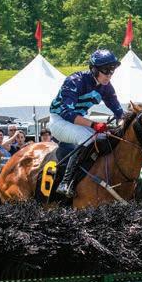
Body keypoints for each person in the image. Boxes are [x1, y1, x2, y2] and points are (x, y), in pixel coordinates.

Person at [49, 49, 124, 197]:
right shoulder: (74, 81)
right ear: (94, 69)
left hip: (79, 122)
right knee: (87, 138)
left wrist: (122, 124)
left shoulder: (106, 86)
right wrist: (94, 125)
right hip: (59, 120)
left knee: (105, 138)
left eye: (112, 70)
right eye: (106, 70)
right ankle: (66, 182)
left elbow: (119, 112)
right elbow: (67, 113)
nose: (109, 75)